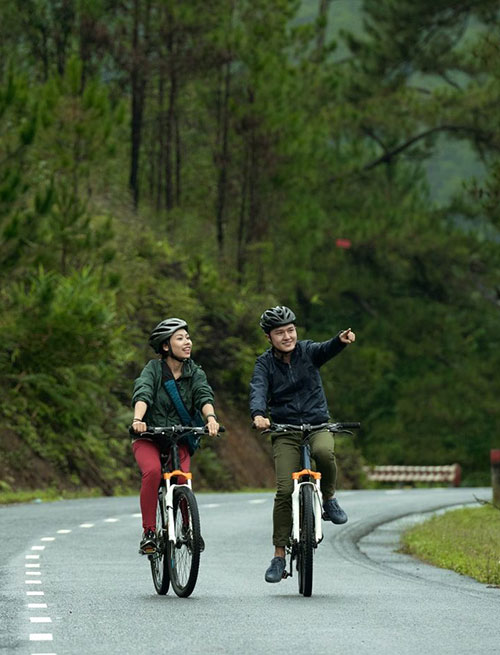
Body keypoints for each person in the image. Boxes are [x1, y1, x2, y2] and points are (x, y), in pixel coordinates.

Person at [249, 305, 356, 583]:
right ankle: (279, 555)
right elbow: (258, 389)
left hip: (317, 424)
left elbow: (326, 349)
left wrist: (339, 340)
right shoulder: (264, 364)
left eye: (291, 330)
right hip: (285, 431)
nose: (287, 336)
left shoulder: (308, 351)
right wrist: (259, 415)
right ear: (269, 337)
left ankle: (329, 499)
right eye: (280, 333)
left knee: (324, 452)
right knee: (285, 490)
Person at [131, 317, 219, 555]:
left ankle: (189, 529)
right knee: (152, 472)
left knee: (182, 479)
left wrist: (211, 418)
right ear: (166, 346)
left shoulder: (195, 372)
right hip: (149, 436)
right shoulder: (153, 369)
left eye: (188, 337)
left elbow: (203, 395)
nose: (187, 342)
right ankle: (149, 532)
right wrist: (138, 420)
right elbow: (143, 392)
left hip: (178, 438)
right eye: (180, 338)